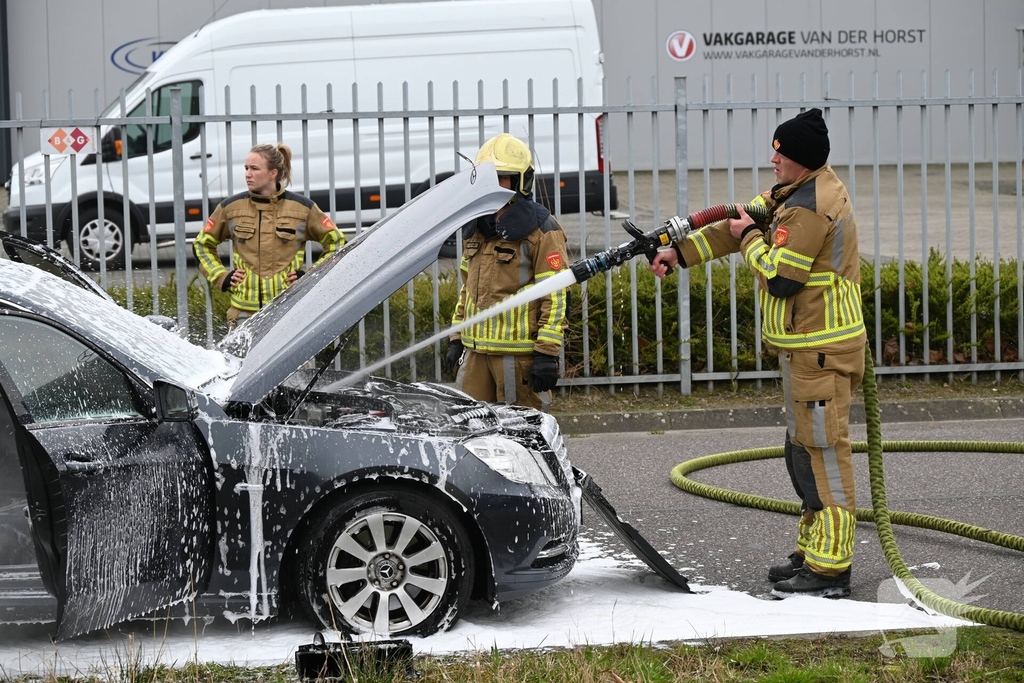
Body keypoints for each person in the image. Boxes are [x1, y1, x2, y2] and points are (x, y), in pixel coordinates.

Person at [649, 108, 866, 598]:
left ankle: (832, 567)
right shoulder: (791, 192)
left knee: (822, 454)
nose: (772, 159)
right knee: (800, 453)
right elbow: (732, 224)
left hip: (822, 350)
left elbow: (781, 278)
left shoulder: (811, 206)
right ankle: (814, 552)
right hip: (803, 351)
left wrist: (750, 236)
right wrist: (676, 252)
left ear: (801, 160)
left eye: (780, 153)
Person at [443, 133, 570, 411]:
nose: (495, 185)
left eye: (503, 177)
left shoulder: (542, 230)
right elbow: (467, 290)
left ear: (520, 182)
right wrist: (456, 337)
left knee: (520, 433)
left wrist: (547, 352)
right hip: (475, 356)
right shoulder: (476, 227)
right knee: (469, 429)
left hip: (516, 359)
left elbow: (556, 294)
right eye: (490, 177)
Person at [194, 142, 345, 328]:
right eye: (246, 168)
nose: (248, 174)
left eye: (254, 169)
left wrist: (310, 278)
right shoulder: (230, 208)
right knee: (241, 359)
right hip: (243, 316)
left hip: (290, 313)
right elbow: (202, 245)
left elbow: (337, 244)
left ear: (273, 173)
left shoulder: (302, 208)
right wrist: (221, 276)